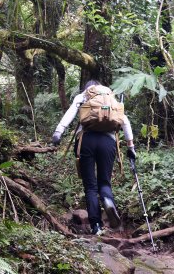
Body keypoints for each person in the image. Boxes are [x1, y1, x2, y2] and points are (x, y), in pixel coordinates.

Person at [51, 80, 135, 235]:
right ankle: (107, 200)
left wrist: (58, 132)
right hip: (108, 142)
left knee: (90, 186)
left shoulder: (83, 96)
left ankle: (96, 226)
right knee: (105, 181)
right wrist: (131, 147)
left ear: (87, 88)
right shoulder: (110, 96)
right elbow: (124, 120)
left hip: (86, 140)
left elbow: (70, 113)